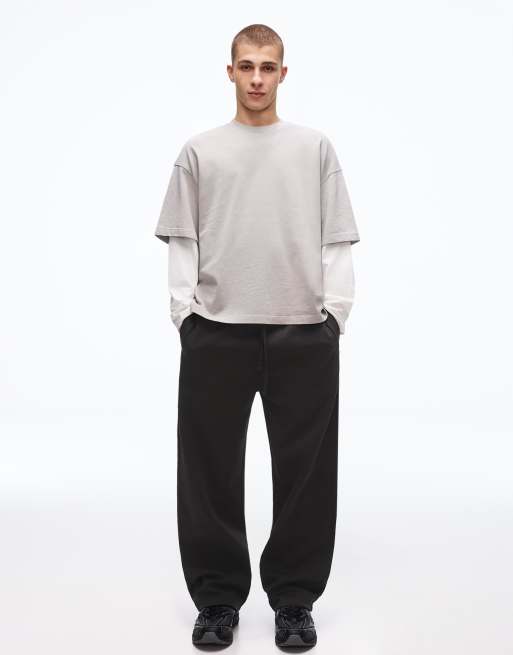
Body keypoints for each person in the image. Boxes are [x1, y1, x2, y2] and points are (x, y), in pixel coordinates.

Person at [154, 23, 360, 649]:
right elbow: (182, 239)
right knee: (209, 469)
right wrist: (186, 318)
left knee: (306, 474)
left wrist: (334, 316)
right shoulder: (200, 151)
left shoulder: (313, 148)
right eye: (246, 66)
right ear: (230, 72)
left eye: (268, 67)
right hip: (217, 333)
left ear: (283, 74)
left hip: (303, 332)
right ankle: (217, 600)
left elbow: (337, 238)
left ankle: (294, 600)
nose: (257, 79)